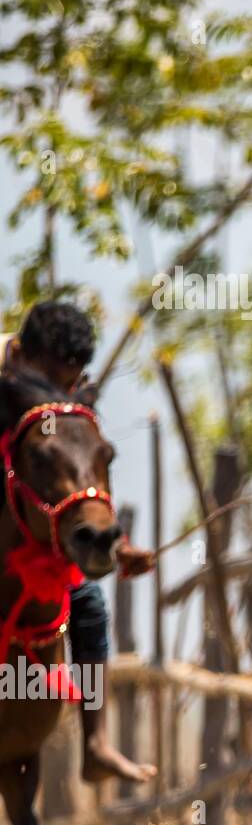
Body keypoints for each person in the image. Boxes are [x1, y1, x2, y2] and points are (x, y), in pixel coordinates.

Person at [2, 300, 157, 783]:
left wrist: (116, 545)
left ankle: (95, 743)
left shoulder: (69, 410)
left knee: (88, 602)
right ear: (21, 355)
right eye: (51, 378)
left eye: (69, 382)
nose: (60, 393)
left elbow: (81, 481)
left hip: (35, 548)